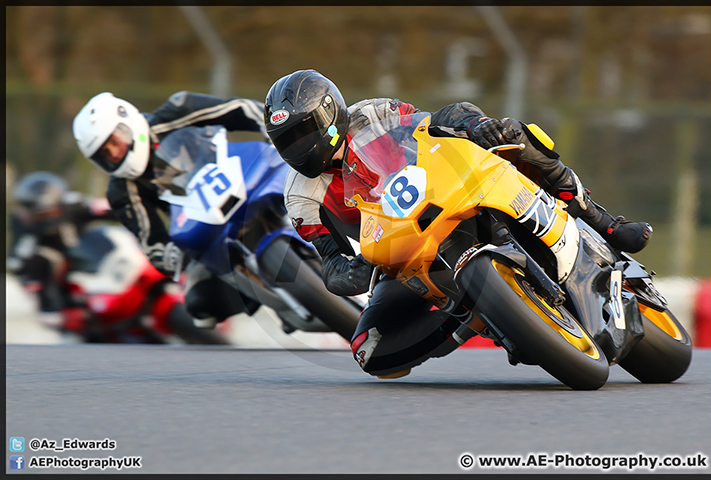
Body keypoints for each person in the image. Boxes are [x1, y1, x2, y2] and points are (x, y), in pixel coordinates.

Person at [263, 69, 653, 378]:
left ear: (329, 114)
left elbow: (435, 124)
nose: (297, 146)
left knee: (515, 134)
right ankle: (472, 318)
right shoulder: (300, 196)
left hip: (447, 196)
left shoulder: (374, 114)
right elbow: (330, 264)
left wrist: (475, 125)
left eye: (303, 131)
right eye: (286, 140)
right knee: (369, 350)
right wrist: (356, 269)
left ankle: (603, 222)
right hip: (399, 255)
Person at [72, 91, 268, 327]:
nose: (113, 153)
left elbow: (240, 109)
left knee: (304, 174)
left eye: (114, 142)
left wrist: (271, 126)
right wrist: (173, 255)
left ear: (129, 124)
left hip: (247, 180)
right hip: (207, 231)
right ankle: (267, 294)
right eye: (104, 154)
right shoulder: (121, 191)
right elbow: (151, 241)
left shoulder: (179, 109)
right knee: (200, 306)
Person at [8, 171, 115, 336]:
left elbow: (111, 207)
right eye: (41, 215)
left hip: (95, 262)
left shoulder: (74, 203)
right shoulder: (25, 230)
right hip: (68, 285)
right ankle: (61, 313)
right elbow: (18, 262)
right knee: (43, 259)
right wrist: (56, 313)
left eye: (49, 212)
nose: (47, 217)